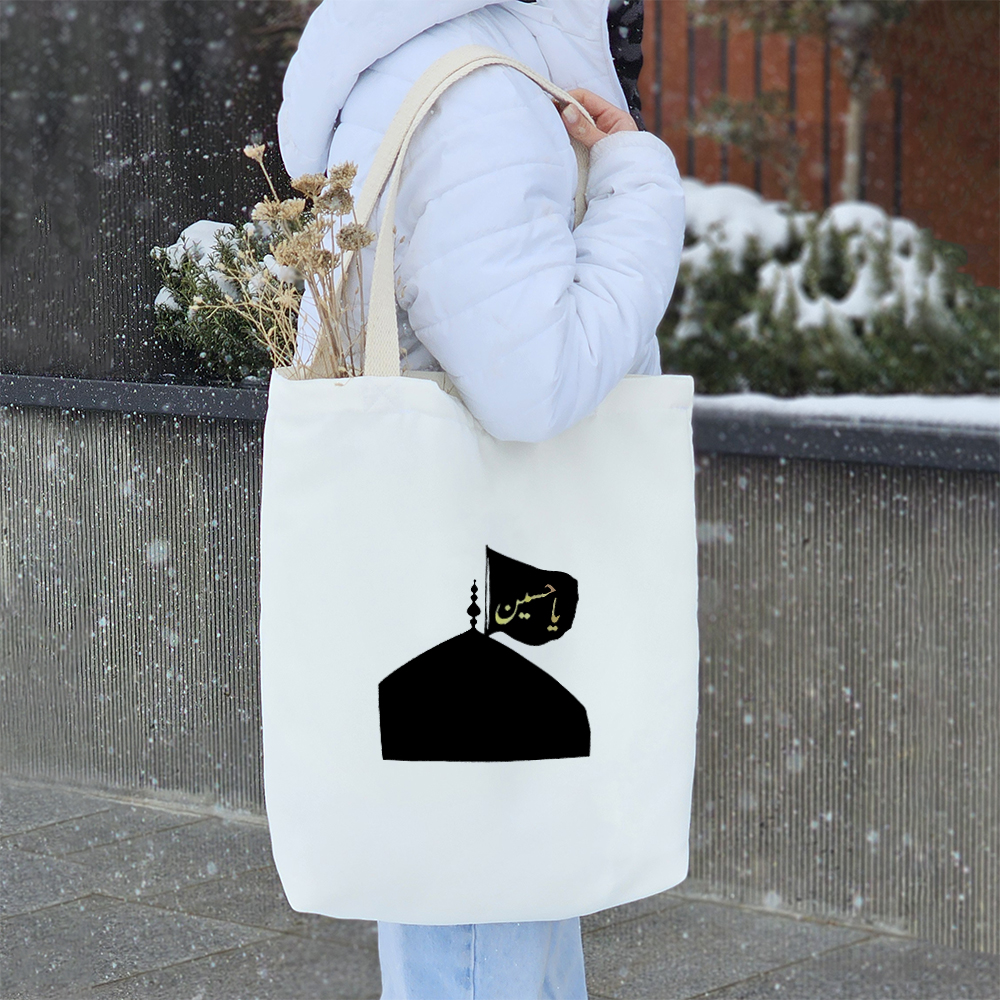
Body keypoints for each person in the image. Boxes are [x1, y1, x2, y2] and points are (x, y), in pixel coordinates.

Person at [277, 1, 685, 996]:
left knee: (486, 897)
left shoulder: (431, 62)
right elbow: (532, 384)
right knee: (483, 918)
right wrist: (637, 186)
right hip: (489, 608)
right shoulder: (479, 95)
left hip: (451, 588)